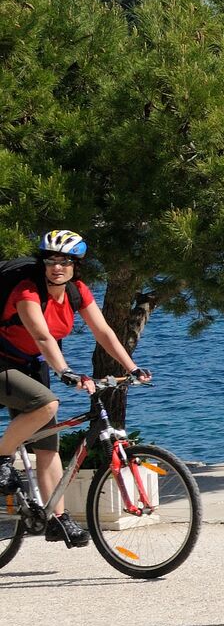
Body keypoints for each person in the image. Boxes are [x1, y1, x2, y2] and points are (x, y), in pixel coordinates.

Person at [0, 230, 151, 547]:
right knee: (46, 403)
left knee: (47, 446)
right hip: (2, 361)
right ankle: (1, 460)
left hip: (29, 363)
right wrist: (65, 372)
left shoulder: (76, 291)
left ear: (75, 266)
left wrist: (132, 368)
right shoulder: (27, 290)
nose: (58, 267)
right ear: (43, 264)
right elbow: (42, 337)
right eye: (51, 261)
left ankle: (57, 519)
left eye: (65, 261)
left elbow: (104, 332)